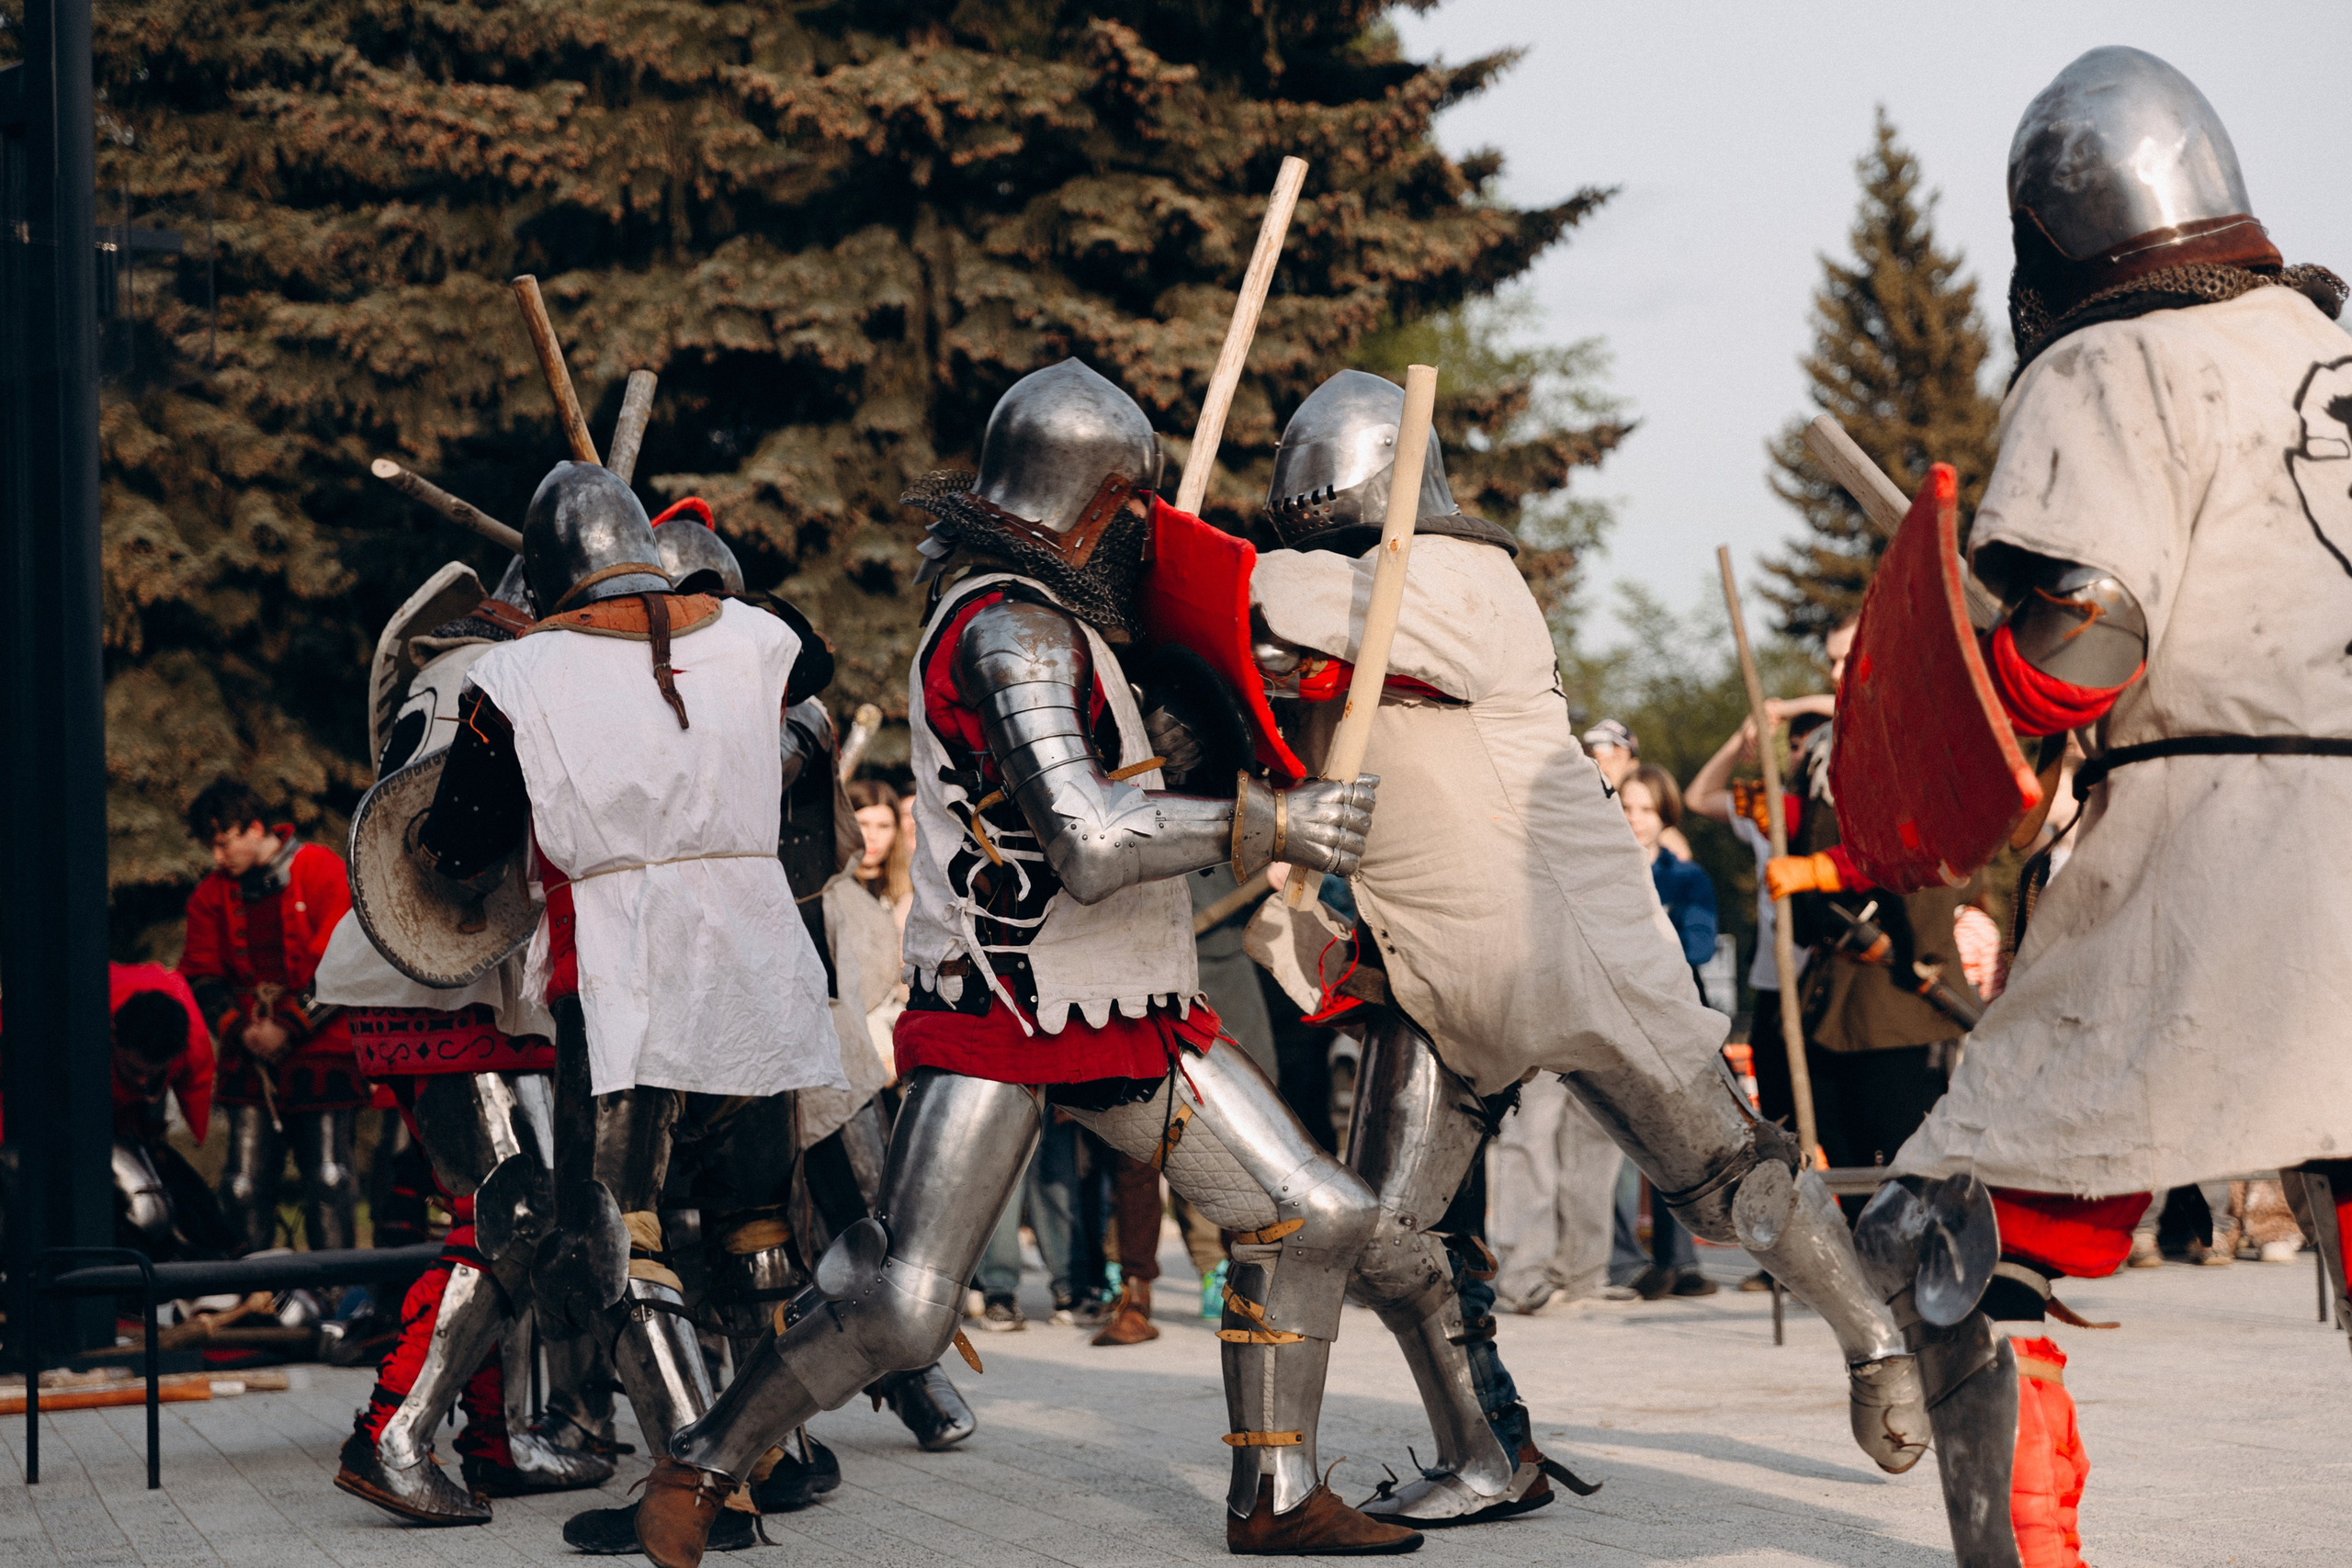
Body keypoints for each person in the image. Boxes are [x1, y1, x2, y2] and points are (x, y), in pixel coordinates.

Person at [633, 358, 1408, 1563]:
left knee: (1311, 1214)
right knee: (903, 1302)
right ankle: (705, 1459)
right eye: (1127, 506)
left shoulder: (1069, 624)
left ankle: (1272, 1490)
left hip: (1120, 998)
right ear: (1096, 504)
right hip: (1007, 997)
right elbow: (1091, 840)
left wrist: (1215, 708)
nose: (1140, 528)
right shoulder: (1007, 628)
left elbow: (1137, 776)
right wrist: (1275, 824)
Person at [1243, 368, 1927, 1529]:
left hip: (1570, 941)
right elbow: (1272, 699)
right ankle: (1487, 1451)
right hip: (1432, 964)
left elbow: (1313, 616)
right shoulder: (1322, 611)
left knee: (1725, 1185)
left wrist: (1193, 587)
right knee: (1389, 1236)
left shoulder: (1460, 578)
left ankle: (1878, 1348)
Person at [1858, 48, 2352, 1568]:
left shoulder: (2110, 362)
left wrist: (1963, 713)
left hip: (2229, 834)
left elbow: (2089, 633)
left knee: (1966, 1229)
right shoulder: (2334, 354)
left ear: (2049, 238)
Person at [409, 462, 851, 1557]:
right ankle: (775, 1456)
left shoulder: (516, 677)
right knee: (756, 1230)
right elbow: (813, 659)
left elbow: (456, 846)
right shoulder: (755, 636)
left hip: (621, 969)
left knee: (622, 1230)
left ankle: (700, 1487)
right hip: (755, 952)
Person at [321, 555, 614, 1525]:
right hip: (435, 974)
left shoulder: (456, 670)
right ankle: (394, 1436)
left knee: (510, 1214)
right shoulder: (495, 682)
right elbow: (446, 836)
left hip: (459, 980)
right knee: (513, 1213)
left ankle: (491, 1442)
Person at [179, 777, 367, 1259]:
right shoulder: (210, 896)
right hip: (250, 1055)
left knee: (330, 1179)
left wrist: (288, 1025)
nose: (217, 858)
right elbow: (201, 976)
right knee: (242, 1186)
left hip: (323, 1051)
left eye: (222, 843)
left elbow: (342, 959)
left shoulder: (320, 869)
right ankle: (254, 1305)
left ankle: (338, 1304)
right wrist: (244, 1032)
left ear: (254, 828)